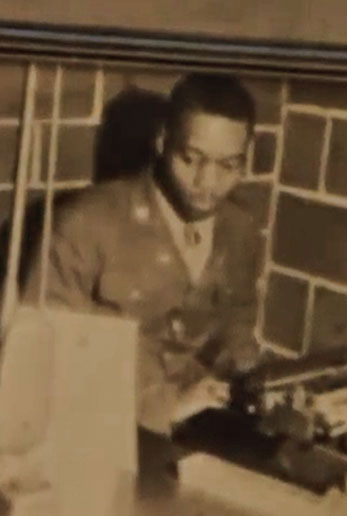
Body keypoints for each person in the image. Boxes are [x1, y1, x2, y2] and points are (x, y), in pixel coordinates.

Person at [22, 73, 262, 437]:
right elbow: (41, 356)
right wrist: (165, 406)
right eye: (191, 159)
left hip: (200, 428)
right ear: (163, 141)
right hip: (94, 433)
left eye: (228, 165)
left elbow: (236, 327)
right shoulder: (86, 223)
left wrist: (255, 379)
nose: (208, 183)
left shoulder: (240, 230)